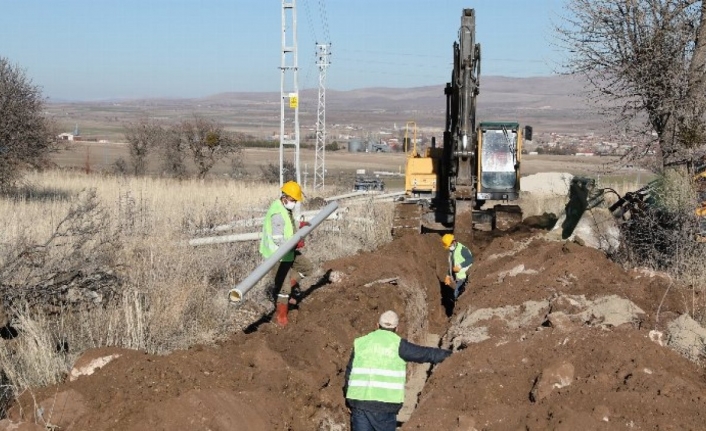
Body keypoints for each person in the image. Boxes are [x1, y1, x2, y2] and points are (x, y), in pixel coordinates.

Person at [344, 310, 452, 431]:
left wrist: (348, 399)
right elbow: (425, 354)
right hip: (385, 405)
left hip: (359, 403)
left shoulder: (361, 343)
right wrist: (452, 355)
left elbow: (349, 372)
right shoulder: (398, 345)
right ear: (397, 328)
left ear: (377, 325)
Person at [259, 180, 314, 327]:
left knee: (307, 268)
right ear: (284, 197)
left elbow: (288, 226)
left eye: (295, 200)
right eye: (292, 200)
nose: (294, 203)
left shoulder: (285, 209)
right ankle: (281, 319)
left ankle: (282, 290)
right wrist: (295, 242)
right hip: (277, 255)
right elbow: (278, 239)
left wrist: (300, 228)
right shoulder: (277, 213)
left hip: (287, 251)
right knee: (284, 289)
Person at [441, 234, 474, 301]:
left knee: (456, 294)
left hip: (464, 276)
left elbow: (470, 260)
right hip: (458, 277)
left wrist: (460, 266)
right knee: (455, 294)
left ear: (453, 242)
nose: (449, 247)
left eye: (449, 246)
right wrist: (448, 275)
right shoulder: (451, 252)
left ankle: (457, 303)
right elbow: (452, 265)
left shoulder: (462, 249)